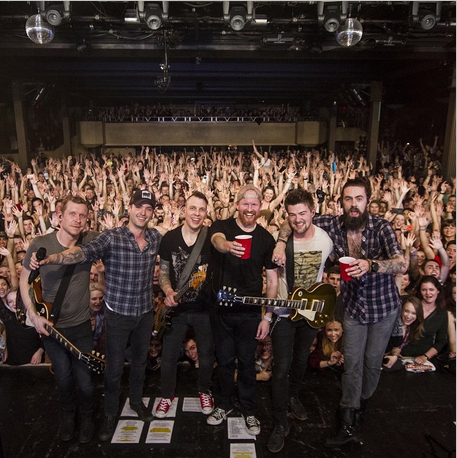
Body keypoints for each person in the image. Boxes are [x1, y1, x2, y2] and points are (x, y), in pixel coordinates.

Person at [273, 177, 407, 448]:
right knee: (352, 365)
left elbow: (401, 262)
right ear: (341, 202)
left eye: (358, 199)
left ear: (367, 200)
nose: (353, 204)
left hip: (383, 308)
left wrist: (371, 265)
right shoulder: (332, 224)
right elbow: (296, 218)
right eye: (348, 199)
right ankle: (347, 421)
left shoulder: (382, 227)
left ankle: (360, 404)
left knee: (372, 365)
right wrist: (279, 241)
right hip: (354, 307)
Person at [33, 189, 162, 442]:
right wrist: (53, 258)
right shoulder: (111, 237)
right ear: (130, 207)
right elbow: (83, 252)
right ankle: (111, 414)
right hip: (117, 315)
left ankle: (136, 402)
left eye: (148, 208)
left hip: (145, 313)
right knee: (113, 369)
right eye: (139, 207)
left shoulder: (156, 238)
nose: (143, 212)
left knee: (139, 364)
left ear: (153, 212)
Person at [19, 196, 98, 443]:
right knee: (63, 378)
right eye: (72, 213)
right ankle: (68, 414)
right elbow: (24, 281)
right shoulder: (40, 244)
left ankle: (87, 417)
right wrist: (33, 315)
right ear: (59, 215)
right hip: (51, 327)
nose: (77, 219)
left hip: (81, 326)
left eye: (82, 215)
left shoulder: (91, 240)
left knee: (85, 382)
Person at [207, 184, 278, 436]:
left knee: (247, 362)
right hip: (222, 309)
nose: (249, 208)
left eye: (254, 204)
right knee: (224, 360)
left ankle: (248, 410)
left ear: (260, 208)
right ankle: (224, 404)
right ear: (237, 205)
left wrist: (267, 316)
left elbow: (271, 280)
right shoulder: (222, 227)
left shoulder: (266, 239)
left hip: (250, 312)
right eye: (245, 203)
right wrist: (227, 246)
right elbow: (215, 241)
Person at [267, 188, 333, 453]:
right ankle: (280, 421)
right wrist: (268, 313)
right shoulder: (277, 240)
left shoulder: (325, 240)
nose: (297, 219)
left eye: (302, 213)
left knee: (301, 360)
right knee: (281, 367)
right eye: (292, 215)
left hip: (311, 313)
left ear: (312, 212)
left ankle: (293, 396)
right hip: (284, 314)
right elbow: (272, 281)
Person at [155, 191, 214, 418]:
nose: (196, 213)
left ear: (206, 212)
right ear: (184, 210)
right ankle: (167, 395)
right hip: (176, 310)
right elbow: (163, 273)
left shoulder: (211, 237)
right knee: (169, 355)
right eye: (192, 208)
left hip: (204, 308)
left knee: (207, 354)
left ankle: (204, 390)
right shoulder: (170, 238)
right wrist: (168, 291)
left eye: (201, 209)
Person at [400, 276, 448, 363]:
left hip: (423, 358)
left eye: (431, 289)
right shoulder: (410, 304)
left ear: (438, 290)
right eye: (424, 290)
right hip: (400, 354)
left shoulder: (442, 313)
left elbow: (441, 341)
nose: (428, 293)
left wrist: (425, 356)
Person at [382, 297, 425, 371]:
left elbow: (398, 347)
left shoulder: (410, 328)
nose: (408, 316)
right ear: (401, 310)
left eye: (413, 313)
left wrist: (395, 356)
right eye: (406, 311)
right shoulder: (392, 324)